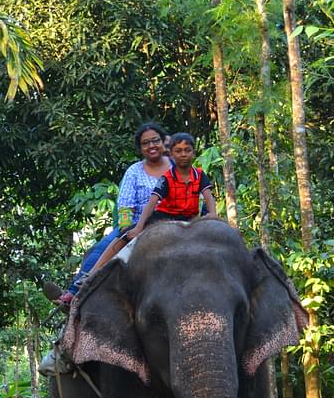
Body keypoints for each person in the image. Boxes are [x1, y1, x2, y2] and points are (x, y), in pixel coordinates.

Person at [53, 122, 173, 305]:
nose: (151, 146)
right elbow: (125, 204)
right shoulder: (134, 171)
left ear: (163, 142)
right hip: (136, 224)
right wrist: (127, 229)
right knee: (104, 247)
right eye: (145, 143)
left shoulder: (177, 167)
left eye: (155, 140)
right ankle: (74, 292)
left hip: (175, 223)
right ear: (140, 148)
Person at [86, 133, 217, 275]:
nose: (183, 154)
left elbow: (208, 197)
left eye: (187, 150)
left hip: (189, 219)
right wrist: (138, 227)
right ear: (172, 153)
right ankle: (94, 273)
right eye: (178, 151)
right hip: (164, 217)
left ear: (193, 153)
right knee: (123, 237)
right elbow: (152, 201)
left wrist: (213, 215)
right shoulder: (166, 177)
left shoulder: (199, 174)